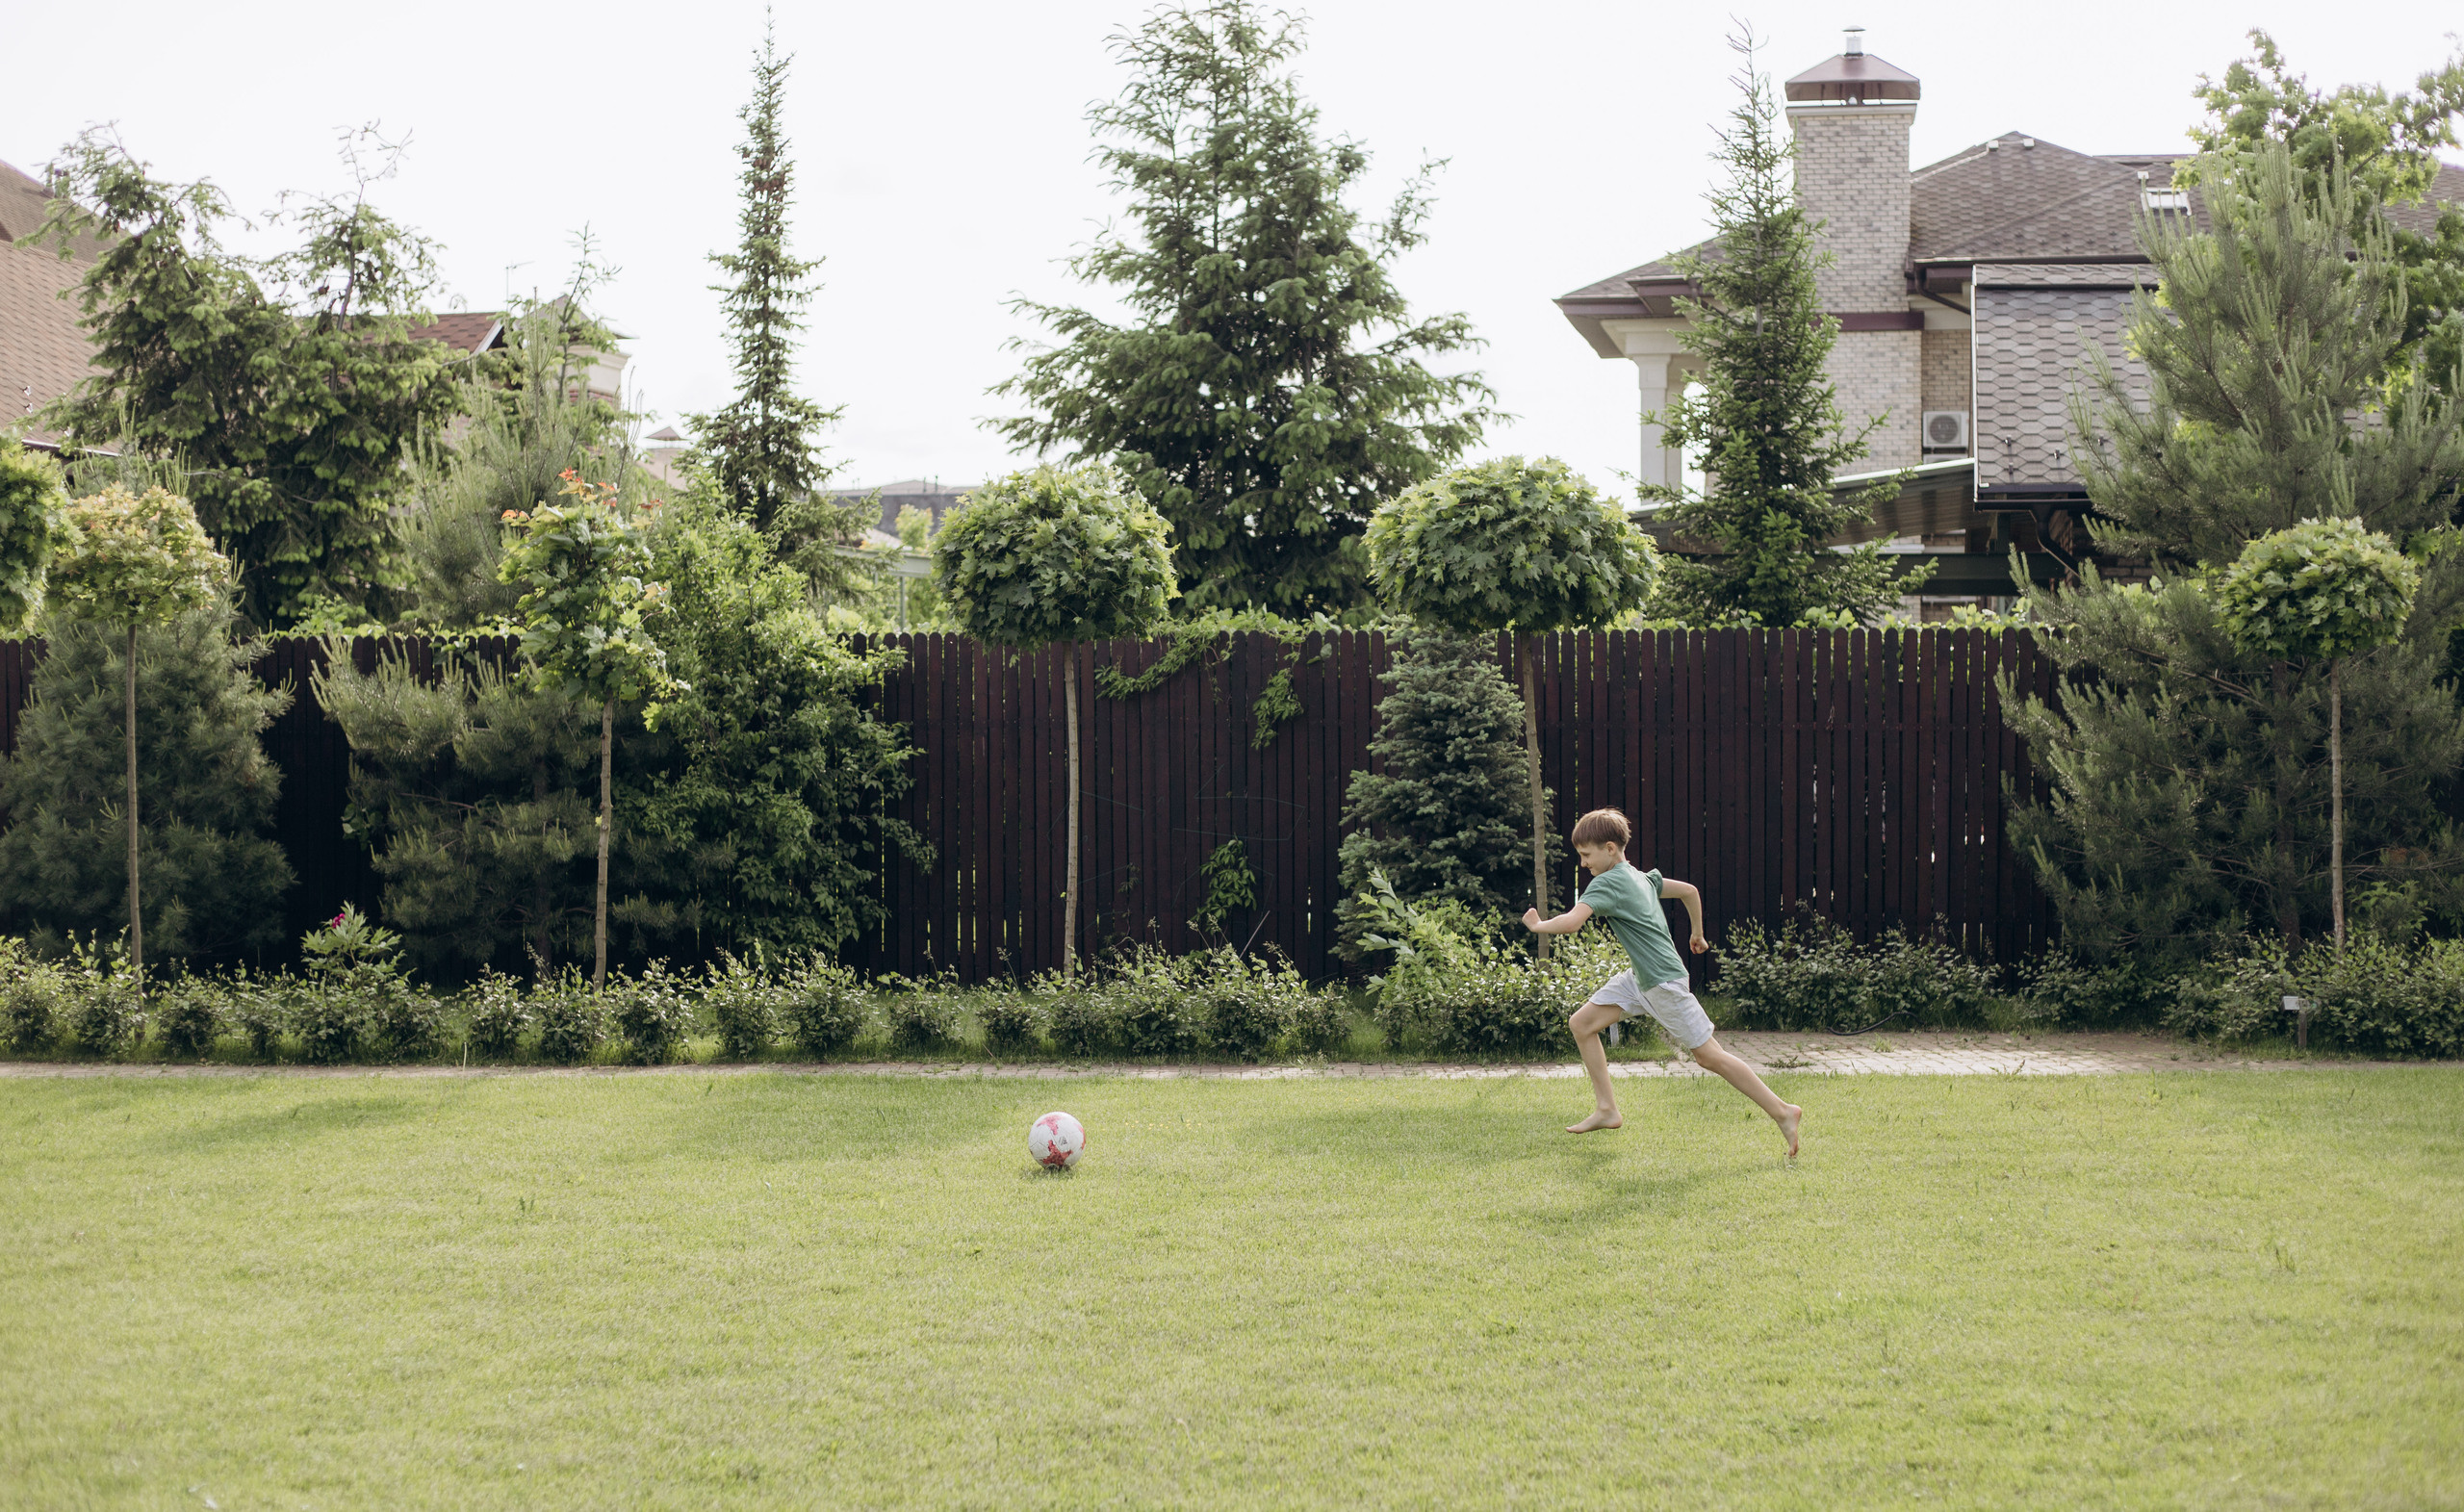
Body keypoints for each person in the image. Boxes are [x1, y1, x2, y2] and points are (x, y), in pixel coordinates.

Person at [1523, 807, 1802, 1154]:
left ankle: (1783, 1111)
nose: (1583, 863)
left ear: (1610, 848)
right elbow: (1689, 891)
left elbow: (1572, 922)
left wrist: (1538, 925)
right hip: (1642, 979)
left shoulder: (1607, 882)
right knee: (1582, 1024)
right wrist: (1697, 934)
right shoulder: (1641, 877)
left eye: (1586, 855)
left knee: (1709, 1057)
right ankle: (1607, 1109)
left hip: (1661, 982)